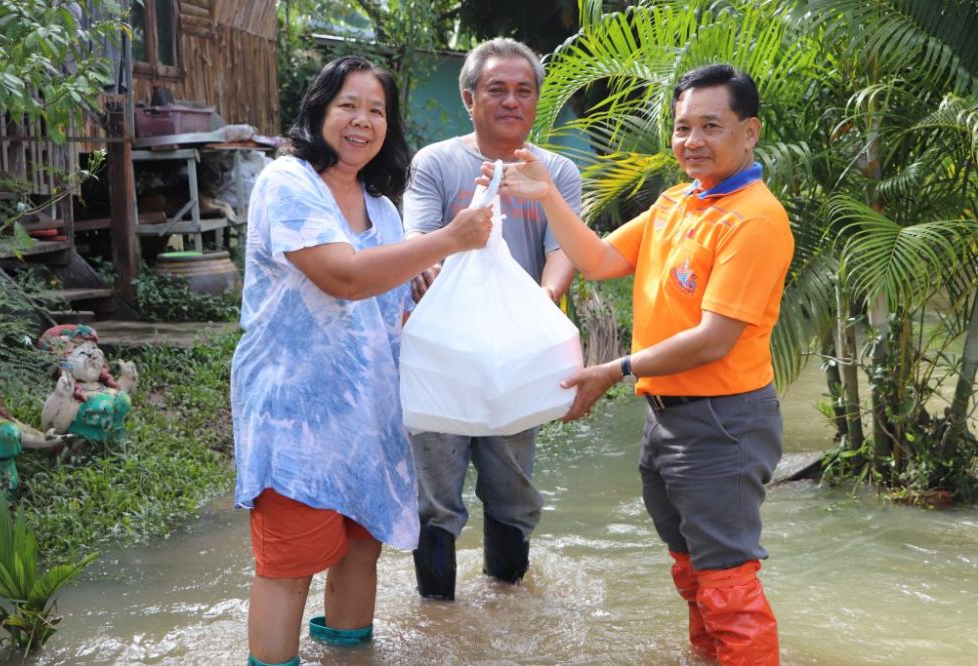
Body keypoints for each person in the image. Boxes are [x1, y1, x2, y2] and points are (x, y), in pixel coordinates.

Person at [488, 64, 794, 665]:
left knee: (727, 581)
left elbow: (713, 339)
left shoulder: (755, 219)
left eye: (711, 126)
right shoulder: (676, 201)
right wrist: (547, 195)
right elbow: (600, 260)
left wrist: (613, 369)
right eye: (682, 127)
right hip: (666, 415)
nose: (692, 141)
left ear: (750, 132)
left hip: (723, 420)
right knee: (692, 569)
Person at [231, 56, 492, 666]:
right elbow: (343, 277)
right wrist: (448, 238)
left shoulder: (383, 208)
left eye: (377, 110)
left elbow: (387, 315)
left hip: (369, 415)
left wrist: (434, 289)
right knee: (289, 565)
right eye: (348, 105)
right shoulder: (288, 181)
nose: (362, 120)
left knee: (359, 550)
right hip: (295, 414)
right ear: (319, 110)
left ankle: (348, 656)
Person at [402, 37, 582, 601]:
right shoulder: (436, 163)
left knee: (512, 490)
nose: (511, 101)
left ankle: (506, 611)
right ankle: (439, 617)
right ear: (469, 98)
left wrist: (545, 299)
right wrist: (426, 266)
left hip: (517, 353)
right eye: (497, 89)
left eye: (523, 90)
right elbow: (418, 235)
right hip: (442, 354)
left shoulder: (556, 171)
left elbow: (563, 248)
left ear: (536, 101)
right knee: (435, 497)